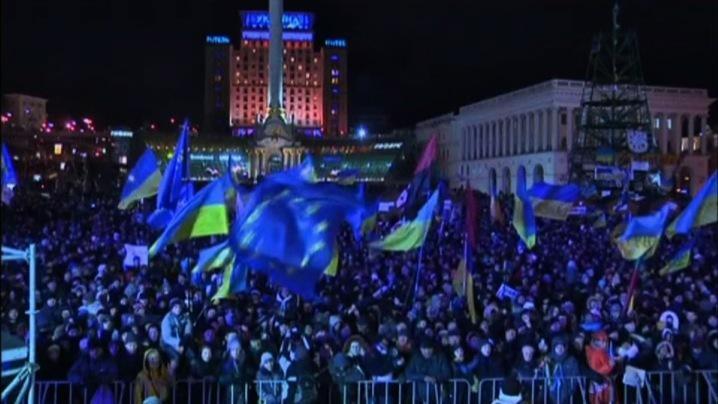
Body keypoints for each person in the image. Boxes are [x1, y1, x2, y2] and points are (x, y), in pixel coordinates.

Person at [404, 337, 451, 404]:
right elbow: (408, 373)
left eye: (429, 348)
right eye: (424, 349)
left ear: (433, 348)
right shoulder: (415, 358)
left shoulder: (440, 357)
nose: (427, 351)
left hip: (438, 394)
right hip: (419, 396)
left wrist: (435, 378)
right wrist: (424, 377)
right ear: (420, 349)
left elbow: (447, 373)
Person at [543, 335, 580, 404]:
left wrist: (571, 390)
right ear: (554, 348)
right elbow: (544, 374)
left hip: (567, 392)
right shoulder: (549, 360)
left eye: (561, 347)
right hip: (552, 391)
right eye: (557, 347)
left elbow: (575, 375)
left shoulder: (572, 360)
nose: (560, 349)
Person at [160, 298, 192, 369]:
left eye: (179, 307)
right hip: (167, 344)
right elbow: (167, 337)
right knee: (176, 358)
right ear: (172, 308)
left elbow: (188, 327)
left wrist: (186, 337)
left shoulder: (185, 317)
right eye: (175, 307)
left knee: (191, 355)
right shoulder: (167, 319)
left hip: (182, 341)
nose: (178, 309)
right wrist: (179, 344)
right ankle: (170, 376)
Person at [585, 331, 615, 404]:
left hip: (603, 381)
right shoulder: (596, 353)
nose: (604, 343)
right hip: (600, 382)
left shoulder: (601, 352)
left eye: (605, 341)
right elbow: (596, 368)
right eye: (602, 341)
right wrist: (609, 365)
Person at [218, 338, 248, 404]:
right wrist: (233, 377)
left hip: (241, 394)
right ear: (230, 351)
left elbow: (247, 375)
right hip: (229, 393)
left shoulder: (244, 362)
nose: (236, 352)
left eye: (238, 349)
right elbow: (220, 378)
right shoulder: (225, 362)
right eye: (234, 349)